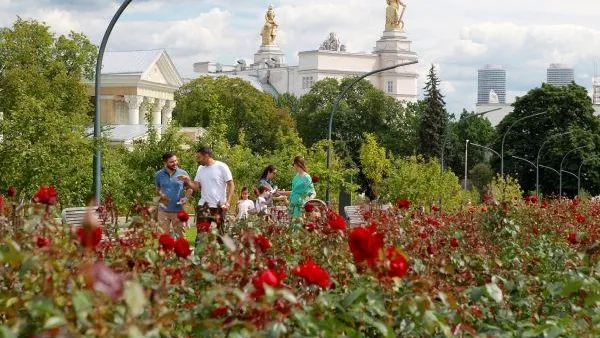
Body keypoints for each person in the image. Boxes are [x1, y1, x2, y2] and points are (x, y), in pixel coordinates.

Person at [178, 147, 234, 235]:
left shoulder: (222, 166)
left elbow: (231, 185)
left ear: (206, 156)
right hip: (203, 206)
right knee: (201, 235)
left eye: (199, 157)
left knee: (218, 235)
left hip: (218, 207)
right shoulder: (200, 168)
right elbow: (196, 187)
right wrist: (187, 180)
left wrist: (227, 203)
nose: (198, 160)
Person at [155, 152, 193, 238]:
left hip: (178, 210)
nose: (175, 163)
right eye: (171, 162)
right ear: (165, 163)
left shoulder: (183, 173)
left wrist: (186, 198)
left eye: (176, 161)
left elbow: (190, 188)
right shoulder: (159, 175)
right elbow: (157, 190)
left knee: (181, 237)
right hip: (163, 211)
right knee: (163, 238)